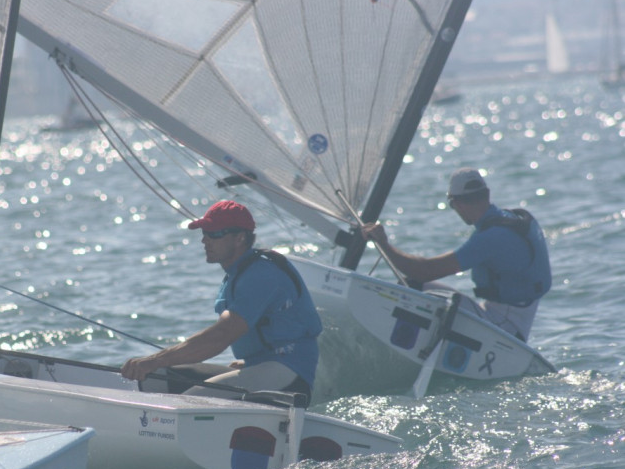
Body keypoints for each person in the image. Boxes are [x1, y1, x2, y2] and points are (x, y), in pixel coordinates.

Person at [121, 200, 323, 400]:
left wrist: (154, 360)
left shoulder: (261, 274)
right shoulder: (237, 275)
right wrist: (155, 365)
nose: (205, 240)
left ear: (240, 238)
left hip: (288, 374)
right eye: (204, 233)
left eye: (214, 234)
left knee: (191, 400)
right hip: (259, 367)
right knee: (155, 377)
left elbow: (221, 336)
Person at [361, 167, 551, 342]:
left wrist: (383, 244)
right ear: (487, 194)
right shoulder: (513, 219)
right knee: (415, 286)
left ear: (457, 204)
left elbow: (424, 272)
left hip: (504, 330)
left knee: (413, 285)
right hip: (511, 321)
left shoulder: (491, 238)